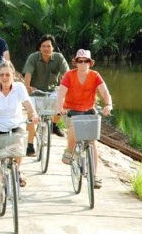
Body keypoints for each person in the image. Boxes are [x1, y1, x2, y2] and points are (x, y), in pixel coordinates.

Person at [0, 61, 39, 213]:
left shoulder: (19, 88)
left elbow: (27, 103)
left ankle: (17, 170)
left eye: (8, 75)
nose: (5, 78)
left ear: (13, 75)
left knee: (19, 148)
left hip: (15, 124)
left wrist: (33, 114)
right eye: (2, 75)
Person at [54, 49, 113, 188]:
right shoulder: (69, 75)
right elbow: (61, 94)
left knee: (92, 142)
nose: (82, 63)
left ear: (90, 63)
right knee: (73, 126)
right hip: (72, 110)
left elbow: (105, 91)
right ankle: (69, 150)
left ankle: (94, 176)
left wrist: (108, 104)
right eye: (80, 61)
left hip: (89, 110)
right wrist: (59, 107)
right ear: (76, 62)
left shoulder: (95, 75)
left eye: (85, 61)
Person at [22, 34, 69, 155]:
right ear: (39, 48)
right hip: (35, 91)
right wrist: (27, 87)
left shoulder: (59, 58)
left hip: (52, 91)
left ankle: (54, 124)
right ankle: (30, 144)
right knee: (32, 117)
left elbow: (67, 75)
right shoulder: (33, 57)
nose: (46, 48)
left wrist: (67, 88)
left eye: (49, 46)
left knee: (62, 101)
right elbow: (28, 73)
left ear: (53, 48)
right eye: (43, 46)